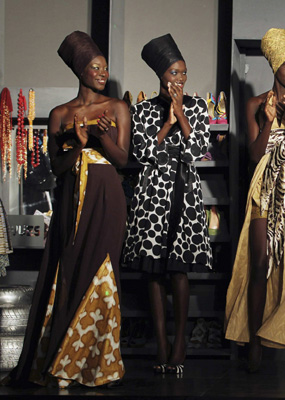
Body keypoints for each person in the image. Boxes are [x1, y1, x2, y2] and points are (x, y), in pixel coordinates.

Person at [7, 31, 130, 388]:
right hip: (72, 199)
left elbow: (123, 160)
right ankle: (64, 361)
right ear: (81, 71)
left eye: (105, 67)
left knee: (104, 274)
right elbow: (56, 168)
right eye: (95, 68)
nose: (102, 73)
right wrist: (77, 144)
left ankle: (99, 365)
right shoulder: (60, 113)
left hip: (107, 197)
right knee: (70, 269)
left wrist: (102, 136)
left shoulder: (118, 107)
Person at [225, 28, 285, 374]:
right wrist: (267, 122)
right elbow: (253, 154)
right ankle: (253, 342)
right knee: (260, 261)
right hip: (265, 184)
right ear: (275, 65)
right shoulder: (254, 104)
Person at [122, 34, 212, 375]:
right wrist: (167, 126)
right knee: (153, 272)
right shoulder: (141, 110)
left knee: (179, 268)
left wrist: (182, 117)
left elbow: (197, 151)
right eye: (174, 73)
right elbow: (143, 154)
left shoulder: (198, 107)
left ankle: (179, 343)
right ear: (161, 75)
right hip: (153, 194)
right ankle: (160, 343)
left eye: (184, 73)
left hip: (185, 194)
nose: (180, 79)